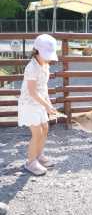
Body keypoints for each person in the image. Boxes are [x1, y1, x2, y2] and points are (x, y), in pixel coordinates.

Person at [18, 34, 58, 176]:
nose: (48, 58)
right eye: (46, 54)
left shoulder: (45, 65)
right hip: (29, 103)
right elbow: (32, 92)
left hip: (40, 102)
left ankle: (39, 155)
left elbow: (44, 87)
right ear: (37, 51)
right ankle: (30, 162)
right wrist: (46, 105)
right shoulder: (32, 67)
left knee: (45, 128)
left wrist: (48, 103)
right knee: (37, 132)